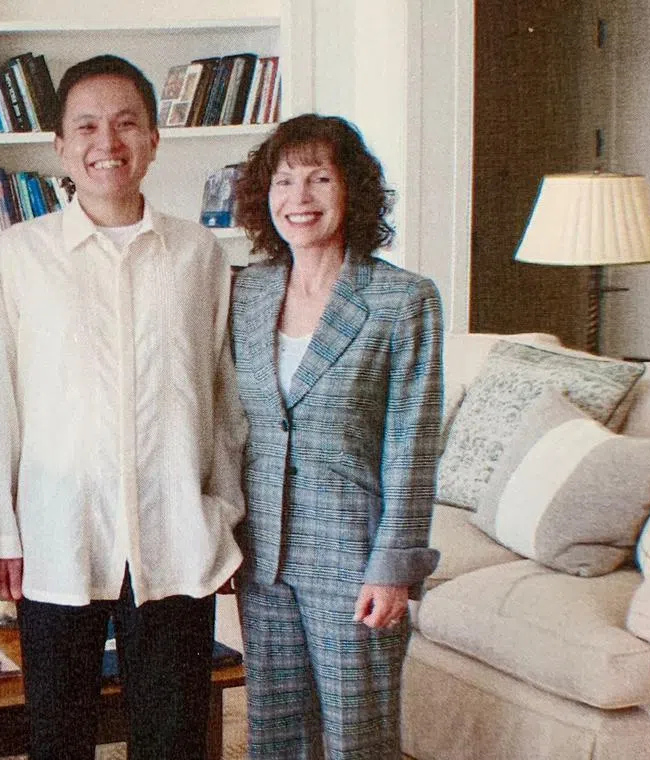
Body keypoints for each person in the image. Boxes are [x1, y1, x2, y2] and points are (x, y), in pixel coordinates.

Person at [0, 54, 246, 760]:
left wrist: (223, 515)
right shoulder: (17, 254)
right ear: (61, 146)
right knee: (59, 732)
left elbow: (221, 395)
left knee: (172, 733)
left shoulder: (199, 254)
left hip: (175, 532)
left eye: (128, 123)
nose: (110, 142)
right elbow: (4, 406)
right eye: (89, 126)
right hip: (58, 534)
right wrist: (5, 536)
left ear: (155, 139)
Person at [230, 113, 443, 759]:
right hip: (264, 553)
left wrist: (393, 569)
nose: (300, 198)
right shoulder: (247, 291)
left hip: (355, 558)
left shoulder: (402, 299)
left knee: (358, 737)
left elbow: (413, 443)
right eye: (285, 180)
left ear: (352, 189)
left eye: (320, 179)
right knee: (275, 733)